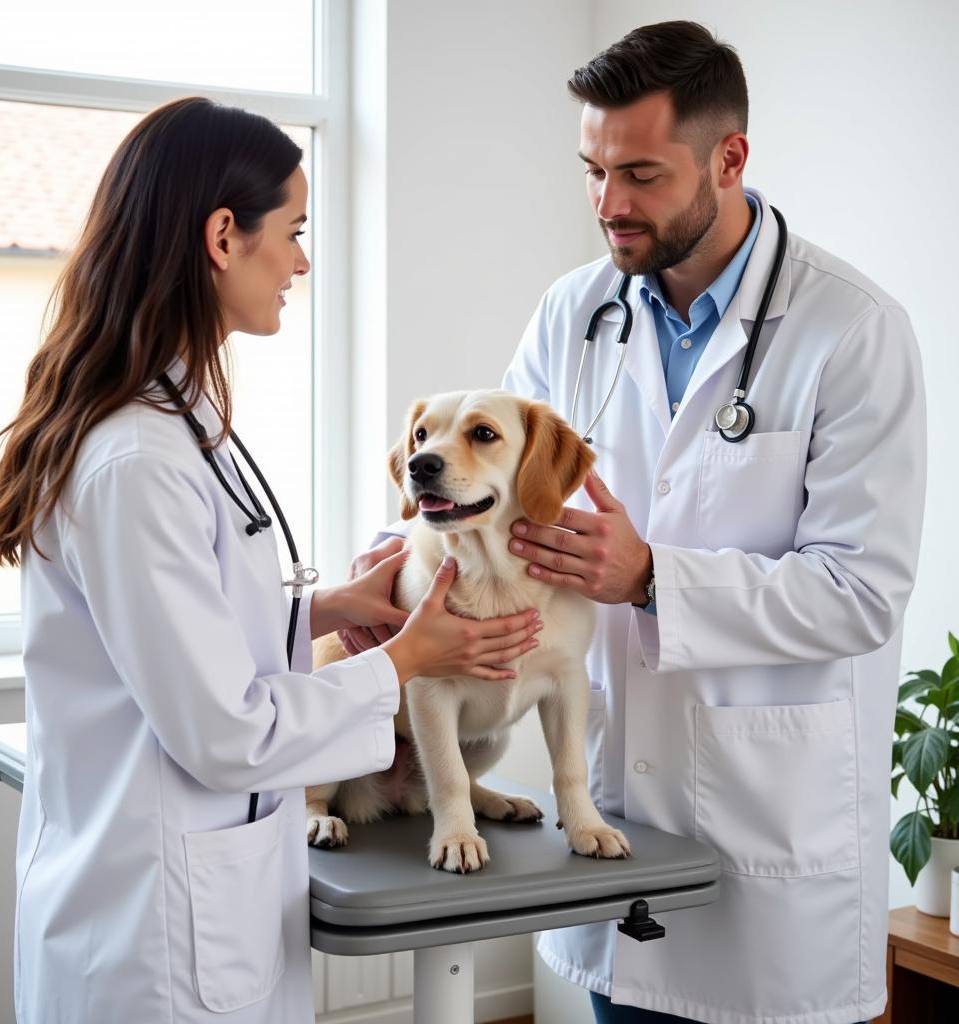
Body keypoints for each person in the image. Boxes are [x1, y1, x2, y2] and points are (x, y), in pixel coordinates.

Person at [344, 21, 926, 1024]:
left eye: (641, 174)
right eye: (591, 170)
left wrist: (655, 578)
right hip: (611, 819)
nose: (609, 204)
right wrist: (406, 560)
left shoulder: (852, 332)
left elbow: (862, 594)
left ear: (728, 158)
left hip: (769, 827)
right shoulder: (574, 312)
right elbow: (497, 497)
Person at [0, 97, 542, 1024]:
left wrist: (323, 609)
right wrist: (404, 661)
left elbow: (185, 621)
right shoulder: (137, 460)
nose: (304, 261)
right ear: (222, 236)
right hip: (152, 939)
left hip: (199, 902)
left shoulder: (179, 422)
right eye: (295, 231)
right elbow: (221, 729)